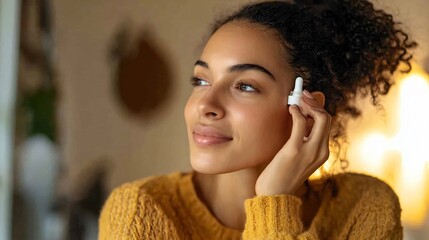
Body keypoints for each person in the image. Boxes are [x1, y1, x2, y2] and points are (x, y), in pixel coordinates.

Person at [98, 0, 416, 239]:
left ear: (306, 108)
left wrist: (275, 202)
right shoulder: (141, 210)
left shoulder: (363, 206)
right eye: (201, 80)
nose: (205, 105)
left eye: (245, 86)